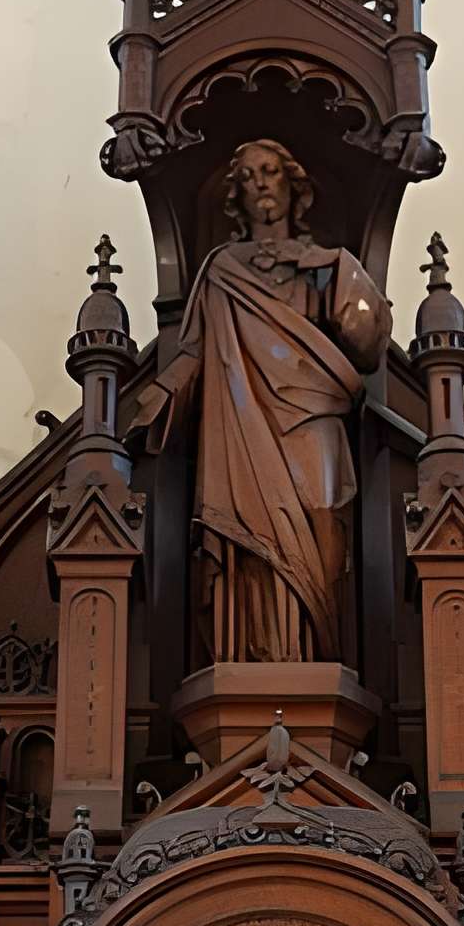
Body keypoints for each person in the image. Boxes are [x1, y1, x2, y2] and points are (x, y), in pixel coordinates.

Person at [126, 138, 389, 663]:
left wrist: (346, 289)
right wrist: (159, 394)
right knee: (246, 540)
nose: (260, 184)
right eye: (247, 178)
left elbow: (368, 343)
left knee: (322, 520)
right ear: (235, 198)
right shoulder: (223, 270)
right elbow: (195, 351)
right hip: (241, 422)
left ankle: (317, 655)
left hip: (315, 419)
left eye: (269, 172)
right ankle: (253, 655)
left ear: (295, 186)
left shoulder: (330, 265)